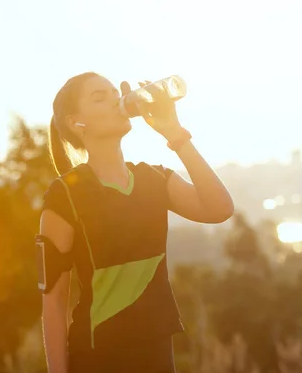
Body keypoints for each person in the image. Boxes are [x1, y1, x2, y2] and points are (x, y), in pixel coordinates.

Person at [37, 72, 234, 373]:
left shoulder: (154, 179)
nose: (116, 100)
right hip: (97, 356)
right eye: (99, 97)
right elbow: (53, 302)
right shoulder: (65, 194)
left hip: (157, 353)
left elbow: (219, 209)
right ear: (77, 122)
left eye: (115, 92)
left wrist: (174, 132)